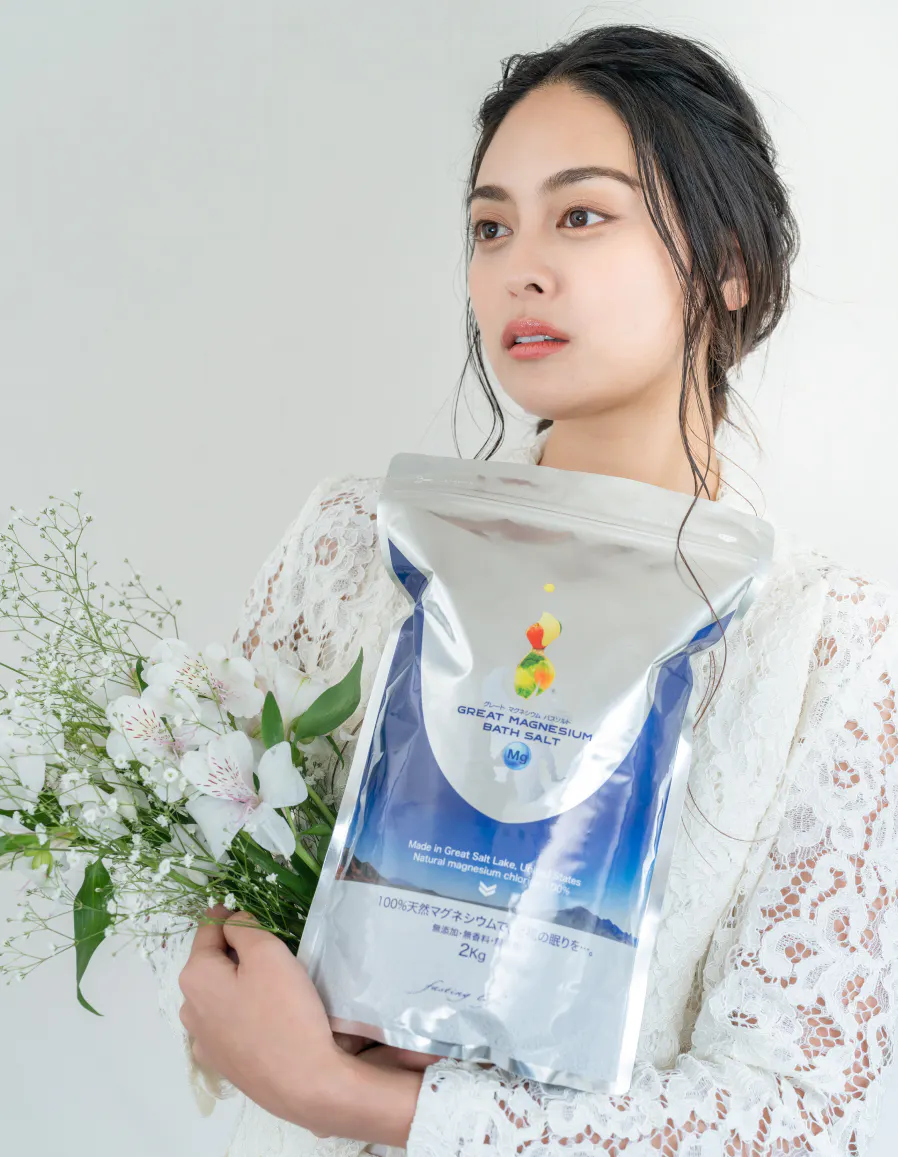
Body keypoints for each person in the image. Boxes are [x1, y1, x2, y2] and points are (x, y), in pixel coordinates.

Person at [148, 22, 898, 1157]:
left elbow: (797, 1109)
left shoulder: (831, 650)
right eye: (490, 227)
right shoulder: (355, 545)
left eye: (581, 215)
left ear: (730, 263)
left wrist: (360, 1099)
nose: (519, 267)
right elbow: (217, 920)